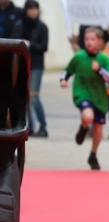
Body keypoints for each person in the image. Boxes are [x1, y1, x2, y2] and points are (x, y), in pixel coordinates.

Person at [60, 27, 109, 170]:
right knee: (88, 116)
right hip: (82, 93)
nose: (89, 42)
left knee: (98, 130)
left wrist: (100, 70)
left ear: (100, 42)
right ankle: (84, 126)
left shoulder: (104, 59)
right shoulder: (79, 57)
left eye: (93, 39)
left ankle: (93, 154)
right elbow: (68, 70)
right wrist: (63, 79)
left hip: (99, 97)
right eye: (87, 39)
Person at [15, 0, 48, 137]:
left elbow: (43, 47)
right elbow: (15, 42)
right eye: (30, 9)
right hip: (22, 64)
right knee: (25, 97)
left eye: (35, 9)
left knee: (34, 96)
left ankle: (43, 126)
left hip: (37, 66)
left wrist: (29, 45)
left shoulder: (42, 27)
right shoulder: (20, 25)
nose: (33, 11)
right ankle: (30, 127)